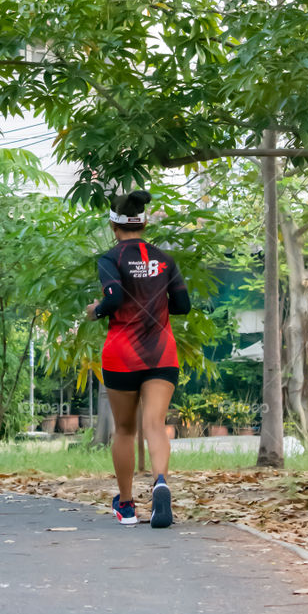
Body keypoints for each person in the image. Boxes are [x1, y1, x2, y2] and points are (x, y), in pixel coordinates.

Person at [86, 190, 190, 529]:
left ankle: (127, 506)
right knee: (155, 424)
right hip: (161, 352)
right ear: (143, 223)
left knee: (126, 430)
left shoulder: (109, 259)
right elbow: (182, 305)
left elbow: (113, 296)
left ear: (114, 226)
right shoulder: (165, 259)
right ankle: (160, 482)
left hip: (121, 355)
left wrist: (96, 311)